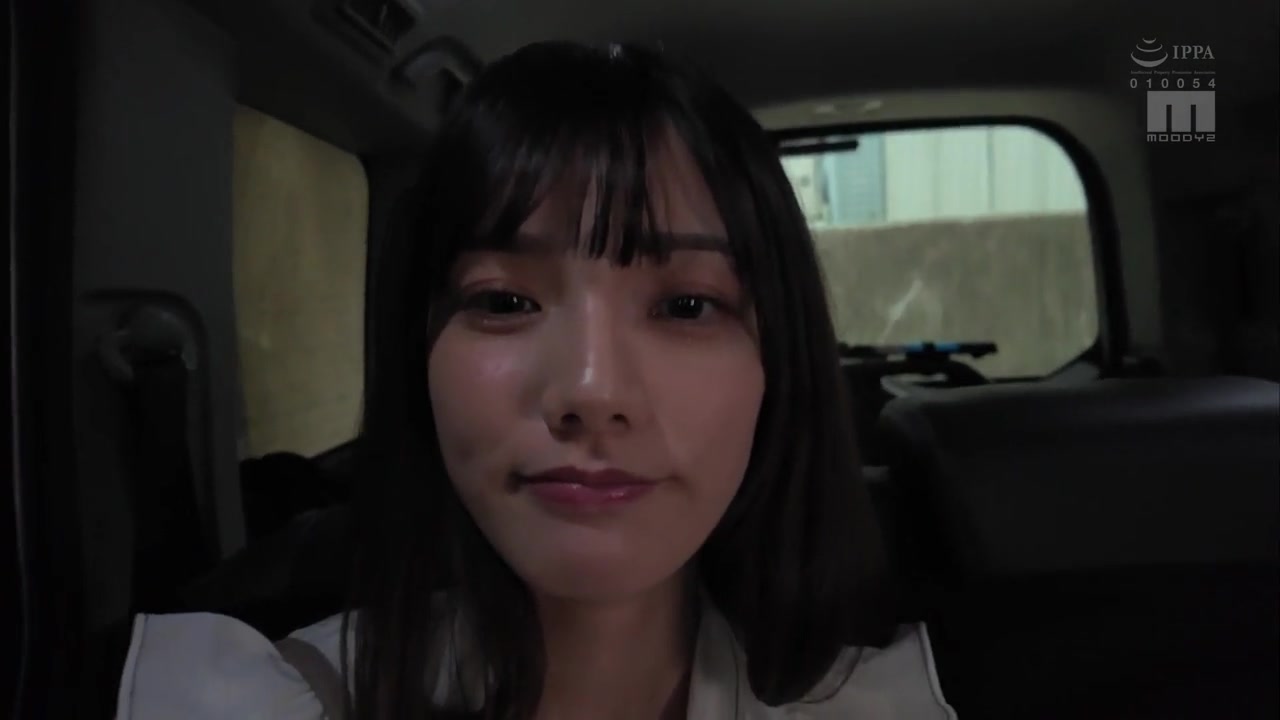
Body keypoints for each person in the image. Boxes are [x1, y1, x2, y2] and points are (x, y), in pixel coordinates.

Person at [115, 41, 956, 719]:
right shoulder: (260, 697)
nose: (592, 390)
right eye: (505, 301)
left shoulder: (898, 703)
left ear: (778, 367)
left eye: (687, 305)